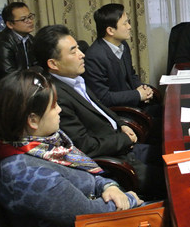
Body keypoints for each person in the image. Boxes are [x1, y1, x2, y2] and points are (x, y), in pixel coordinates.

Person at [0, 70, 142, 227]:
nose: (60, 110)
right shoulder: (28, 175)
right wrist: (130, 199)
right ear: (33, 121)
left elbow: (88, 172)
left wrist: (109, 186)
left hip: (105, 217)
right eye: (54, 106)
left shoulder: (48, 142)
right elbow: (88, 215)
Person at [34, 24, 164, 197]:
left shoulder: (75, 79)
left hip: (124, 147)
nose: (82, 54)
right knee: (176, 177)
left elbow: (101, 108)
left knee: (175, 154)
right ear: (53, 63)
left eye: (78, 48)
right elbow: (85, 147)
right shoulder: (56, 97)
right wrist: (124, 139)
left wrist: (120, 123)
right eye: (73, 51)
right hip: (116, 165)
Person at [83, 4, 160, 116]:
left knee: (165, 107)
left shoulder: (123, 45)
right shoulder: (94, 57)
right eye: (125, 23)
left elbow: (131, 75)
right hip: (118, 112)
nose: (129, 27)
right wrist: (138, 95)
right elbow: (103, 98)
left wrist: (143, 89)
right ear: (110, 30)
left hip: (131, 101)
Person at [0, 2, 38, 83]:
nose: (30, 21)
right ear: (10, 24)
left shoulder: (29, 39)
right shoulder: (2, 45)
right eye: (23, 19)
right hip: (7, 87)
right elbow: (9, 76)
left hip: (27, 83)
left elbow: (37, 64)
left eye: (30, 17)